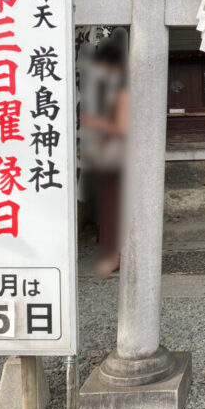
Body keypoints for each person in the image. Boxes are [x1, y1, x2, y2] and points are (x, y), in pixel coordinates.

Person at [79, 29, 128, 278]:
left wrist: (95, 123)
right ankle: (113, 255)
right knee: (109, 209)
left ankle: (116, 256)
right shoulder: (112, 90)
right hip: (110, 157)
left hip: (118, 159)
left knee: (114, 209)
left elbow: (120, 127)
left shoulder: (121, 92)